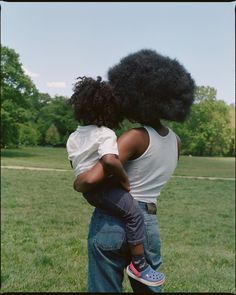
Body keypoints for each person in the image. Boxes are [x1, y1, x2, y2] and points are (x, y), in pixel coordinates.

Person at [73, 49, 195, 293]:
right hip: (148, 222)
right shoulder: (176, 141)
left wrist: (78, 182)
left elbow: (92, 179)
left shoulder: (134, 137)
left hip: (114, 219)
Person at [66, 76, 165, 286]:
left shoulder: (74, 136)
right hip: (103, 188)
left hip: (90, 192)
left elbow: (75, 164)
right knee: (133, 213)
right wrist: (124, 180)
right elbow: (110, 160)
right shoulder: (106, 134)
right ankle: (139, 264)